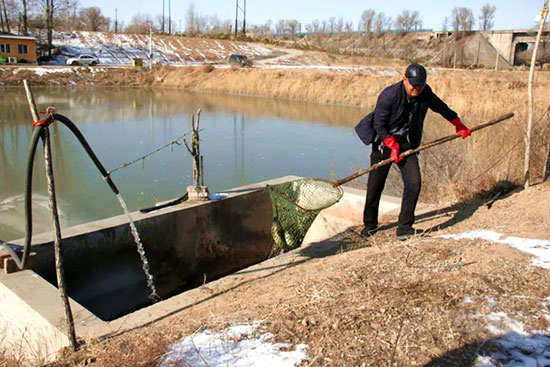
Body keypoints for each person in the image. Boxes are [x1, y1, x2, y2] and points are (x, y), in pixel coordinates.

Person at [361, 63, 471, 240]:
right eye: (413, 84)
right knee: (375, 185)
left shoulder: (425, 93)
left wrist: (458, 124)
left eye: (420, 85)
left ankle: (404, 228)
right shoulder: (389, 95)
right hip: (383, 145)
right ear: (405, 79)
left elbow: (441, 108)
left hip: (407, 145)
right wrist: (391, 145)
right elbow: (379, 125)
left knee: (414, 183)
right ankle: (369, 225)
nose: (416, 88)